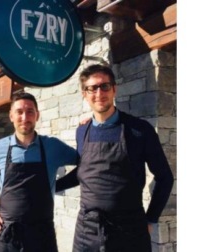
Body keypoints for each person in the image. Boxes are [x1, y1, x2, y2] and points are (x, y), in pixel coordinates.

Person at [56, 64, 174, 251]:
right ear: (84, 94)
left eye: (104, 86)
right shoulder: (82, 131)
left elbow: (165, 177)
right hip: (87, 231)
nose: (99, 93)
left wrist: (151, 218)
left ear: (114, 90)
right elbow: (83, 172)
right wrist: (51, 186)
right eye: (92, 88)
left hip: (130, 230)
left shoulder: (139, 130)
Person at [0, 92, 78, 252]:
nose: (24, 117)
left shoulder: (52, 147)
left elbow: (86, 163)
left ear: (37, 115)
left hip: (43, 236)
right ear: (11, 116)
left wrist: (58, 185)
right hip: (8, 237)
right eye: (19, 112)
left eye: (30, 111)